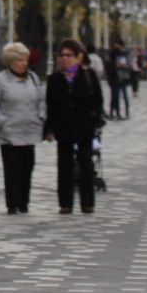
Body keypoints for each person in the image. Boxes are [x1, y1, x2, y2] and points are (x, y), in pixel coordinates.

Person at [43, 41, 105, 214]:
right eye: (61, 55)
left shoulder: (88, 75)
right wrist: (49, 129)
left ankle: (87, 203)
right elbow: (51, 106)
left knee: (86, 164)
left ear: (79, 57)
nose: (64, 59)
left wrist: (95, 120)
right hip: (64, 128)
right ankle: (65, 203)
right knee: (64, 166)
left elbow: (97, 101)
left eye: (68, 55)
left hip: (84, 127)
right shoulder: (54, 79)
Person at [0, 41, 45, 213]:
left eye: (25, 60)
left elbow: (41, 100)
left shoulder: (33, 78)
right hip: (10, 133)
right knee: (12, 170)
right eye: (20, 60)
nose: (24, 63)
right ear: (11, 62)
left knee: (27, 168)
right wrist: (2, 122)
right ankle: (12, 203)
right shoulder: (0, 80)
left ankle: (24, 202)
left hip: (30, 130)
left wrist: (41, 117)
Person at [105, 44, 131, 120]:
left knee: (114, 97)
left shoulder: (109, 61)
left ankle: (112, 113)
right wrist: (118, 66)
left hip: (113, 81)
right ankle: (116, 113)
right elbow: (111, 71)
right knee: (115, 97)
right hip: (115, 81)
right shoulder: (111, 62)